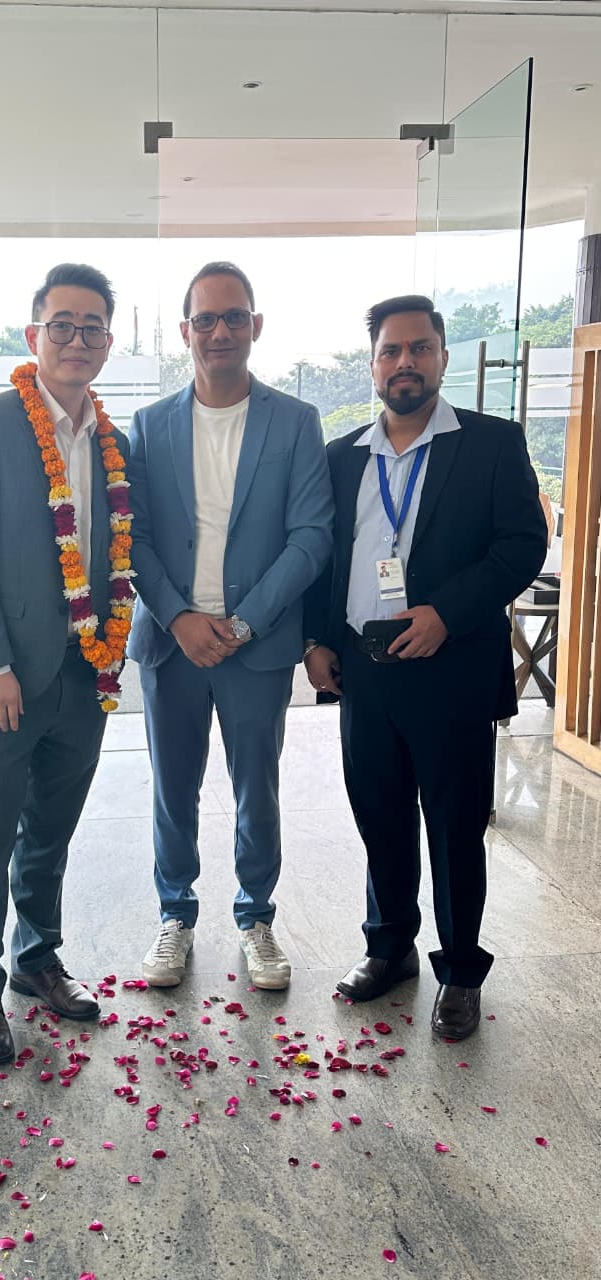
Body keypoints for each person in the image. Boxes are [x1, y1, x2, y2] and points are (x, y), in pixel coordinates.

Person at [303, 294, 547, 1040]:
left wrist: (447, 612)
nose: (404, 362)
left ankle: (461, 971)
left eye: (418, 348)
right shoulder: (342, 457)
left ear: (442, 356)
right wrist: (315, 641)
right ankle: (389, 949)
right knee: (379, 815)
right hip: (364, 670)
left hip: (452, 668)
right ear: (373, 364)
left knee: (454, 824)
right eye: (390, 350)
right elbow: (322, 557)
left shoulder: (492, 443)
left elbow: (521, 544)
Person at [0, 263, 133, 1063]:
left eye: (92, 327)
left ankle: (36, 958)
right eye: (62, 324)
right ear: (33, 335)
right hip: (5, 676)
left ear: (108, 342)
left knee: (51, 829)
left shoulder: (116, 442)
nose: (77, 340)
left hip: (85, 675)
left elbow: (119, 553)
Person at [128, 262, 334, 990]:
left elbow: (311, 536)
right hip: (172, 645)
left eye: (234, 317)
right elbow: (134, 537)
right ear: (185, 330)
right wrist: (179, 616)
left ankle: (256, 918)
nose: (220, 331)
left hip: (258, 645)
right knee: (172, 788)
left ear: (256, 326)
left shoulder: (295, 421)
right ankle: (175, 915)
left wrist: (244, 624)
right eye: (206, 319)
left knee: (257, 790)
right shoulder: (150, 426)